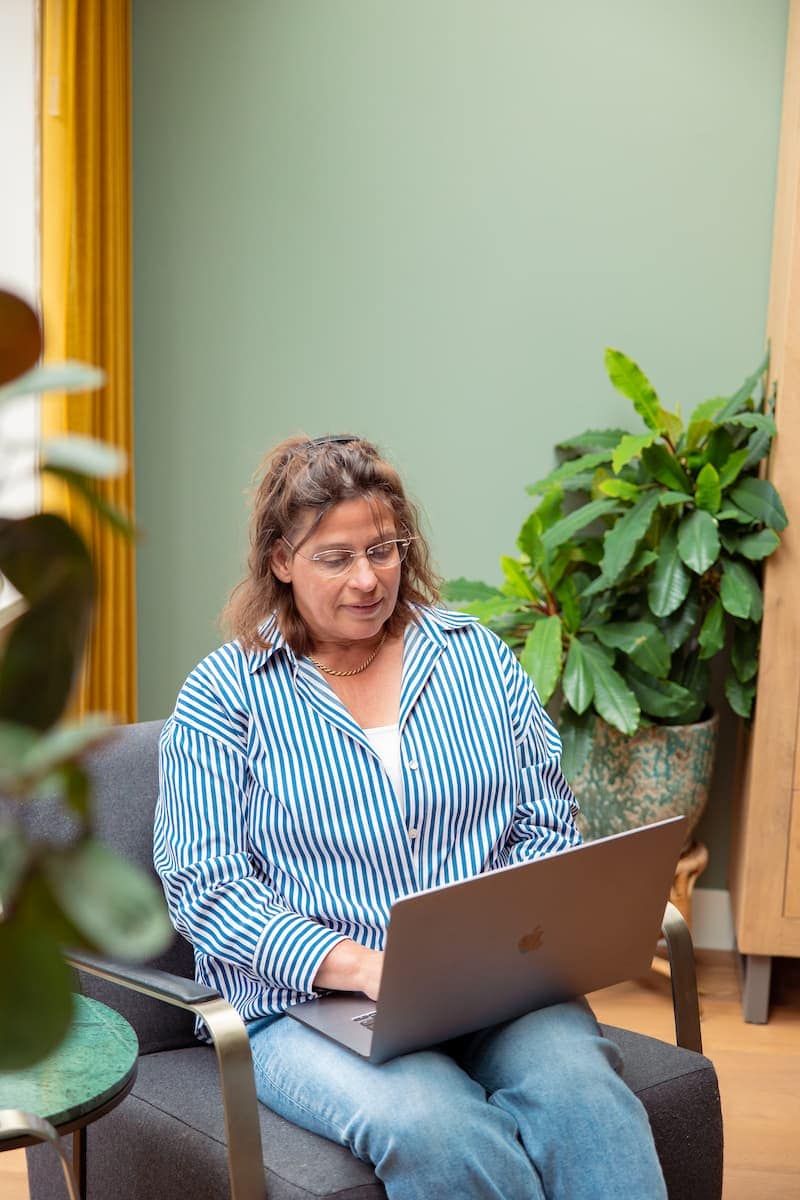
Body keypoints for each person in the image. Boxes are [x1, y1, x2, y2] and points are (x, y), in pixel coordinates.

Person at [154, 434, 667, 1200]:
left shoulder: (475, 659)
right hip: (306, 1004)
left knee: (586, 1098)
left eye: (383, 550)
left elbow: (545, 826)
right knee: (438, 1127)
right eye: (335, 558)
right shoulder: (225, 695)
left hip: (491, 987)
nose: (367, 579)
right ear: (281, 560)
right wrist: (362, 966)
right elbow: (206, 887)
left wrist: (521, 940)